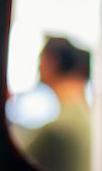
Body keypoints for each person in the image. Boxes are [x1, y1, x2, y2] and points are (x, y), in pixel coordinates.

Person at [24, 36, 91, 171]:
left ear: (53, 61)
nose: (38, 66)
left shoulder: (57, 129)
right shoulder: (82, 113)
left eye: (41, 58)